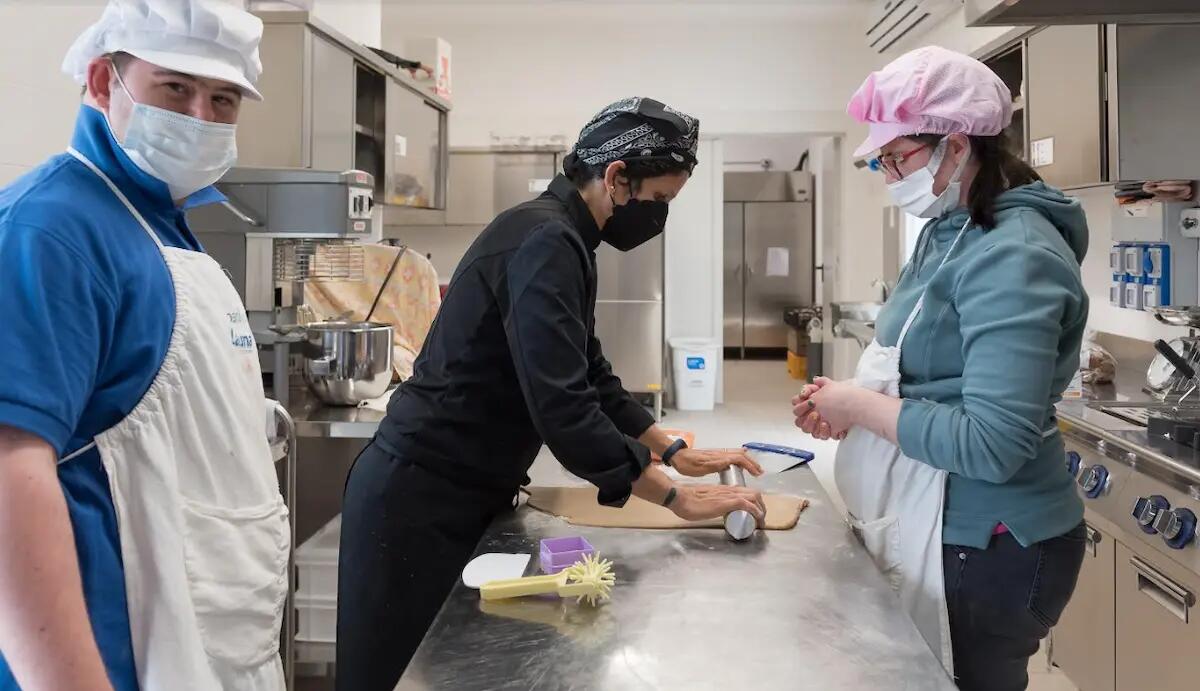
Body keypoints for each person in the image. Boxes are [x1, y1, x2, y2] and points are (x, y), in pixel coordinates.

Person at [337, 97, 767, 690]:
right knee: (391, 676)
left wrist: (672, 450)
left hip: (461, 489)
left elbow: (590, 374)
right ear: (617, 178)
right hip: (418, 498)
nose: (659, 216)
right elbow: (566, 413)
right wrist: (676, 500)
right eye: (660, 200)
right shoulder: (545, 242)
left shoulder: (560, 236)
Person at [0, 2, 288, 689]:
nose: (199, 116)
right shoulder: (51, 229)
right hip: (112, 662)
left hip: (207, 653)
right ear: (104, 82)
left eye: (222, 99)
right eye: (174, 88)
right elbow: (10, 471)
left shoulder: (160, 227)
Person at [793, 46, 1088, 690]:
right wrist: (853, 404)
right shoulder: (951, 228)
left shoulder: (1017, 256)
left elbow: (993, 443)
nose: (887, 173)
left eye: (897, 157)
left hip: (992, 544)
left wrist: (862, 408)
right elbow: (930, 373)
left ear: (956, 147)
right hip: (933, 516)